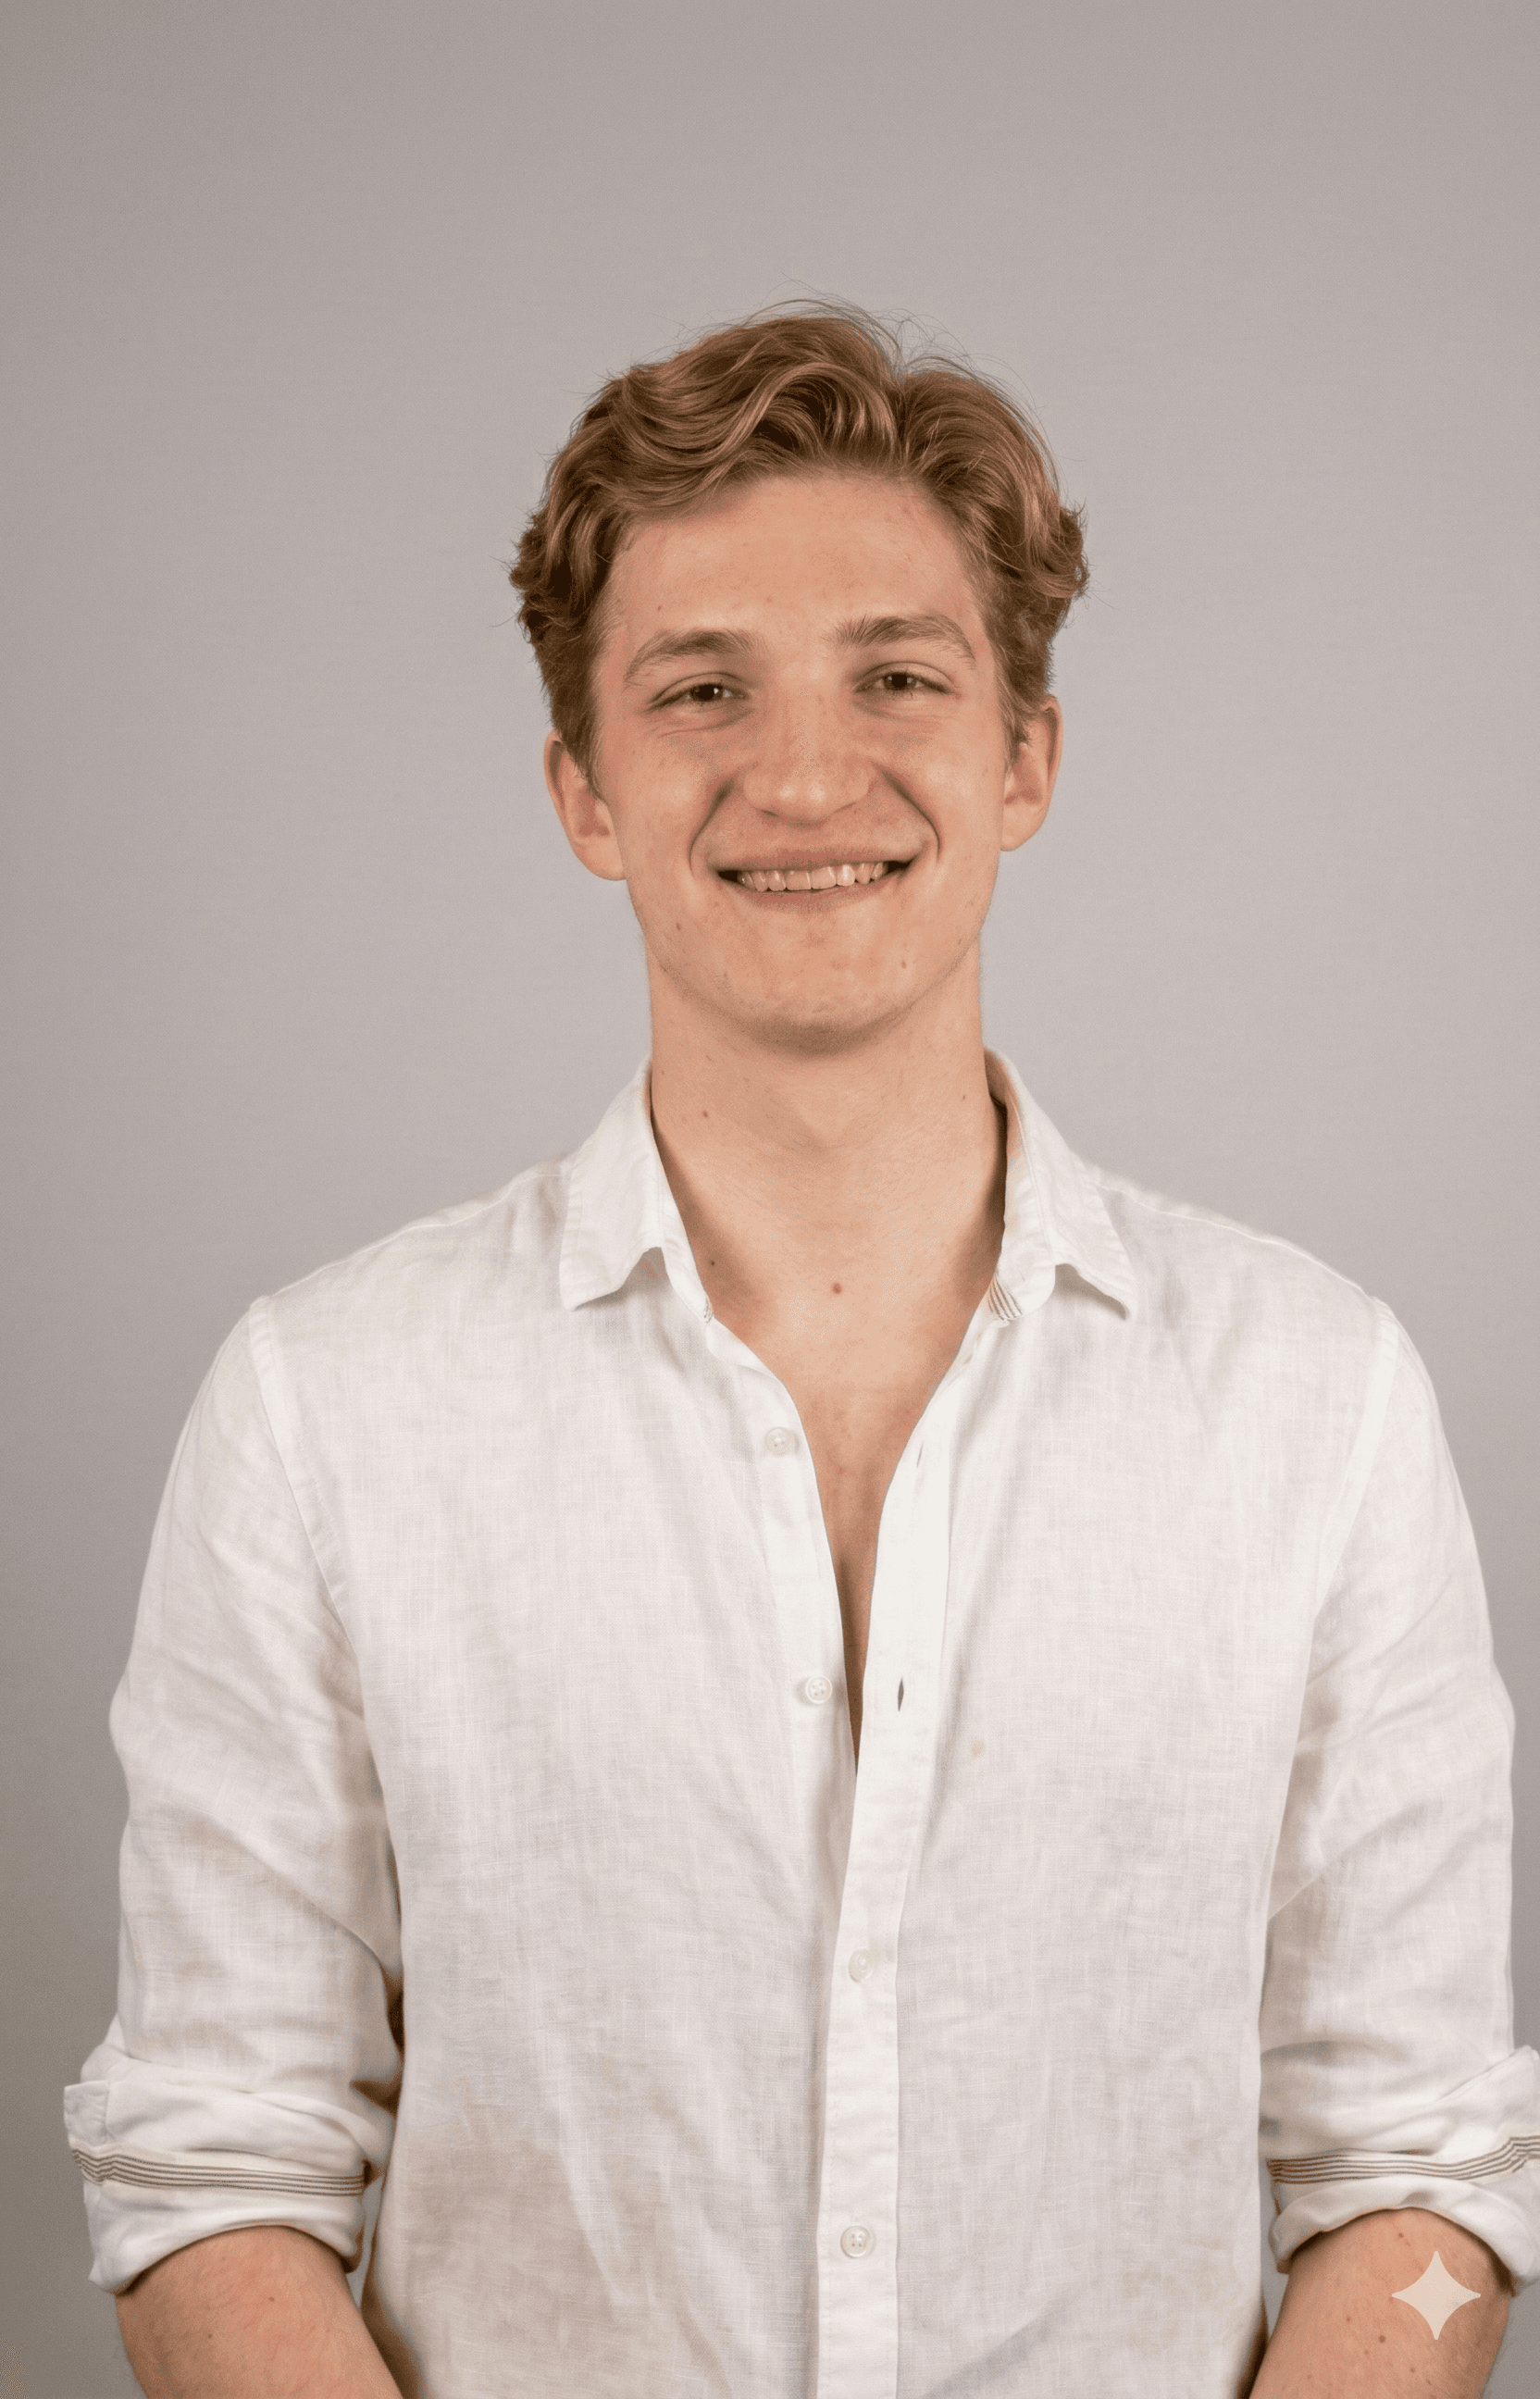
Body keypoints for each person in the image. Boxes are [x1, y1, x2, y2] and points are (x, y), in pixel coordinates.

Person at [66, 306, 1537, 2398]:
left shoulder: (1319, 1403)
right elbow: (213, 2170)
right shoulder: (323, 1411)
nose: (806, 774)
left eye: (899, 677)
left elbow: (1417, 2169)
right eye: (700, 691)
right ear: (584, 786)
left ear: (1025, 753)